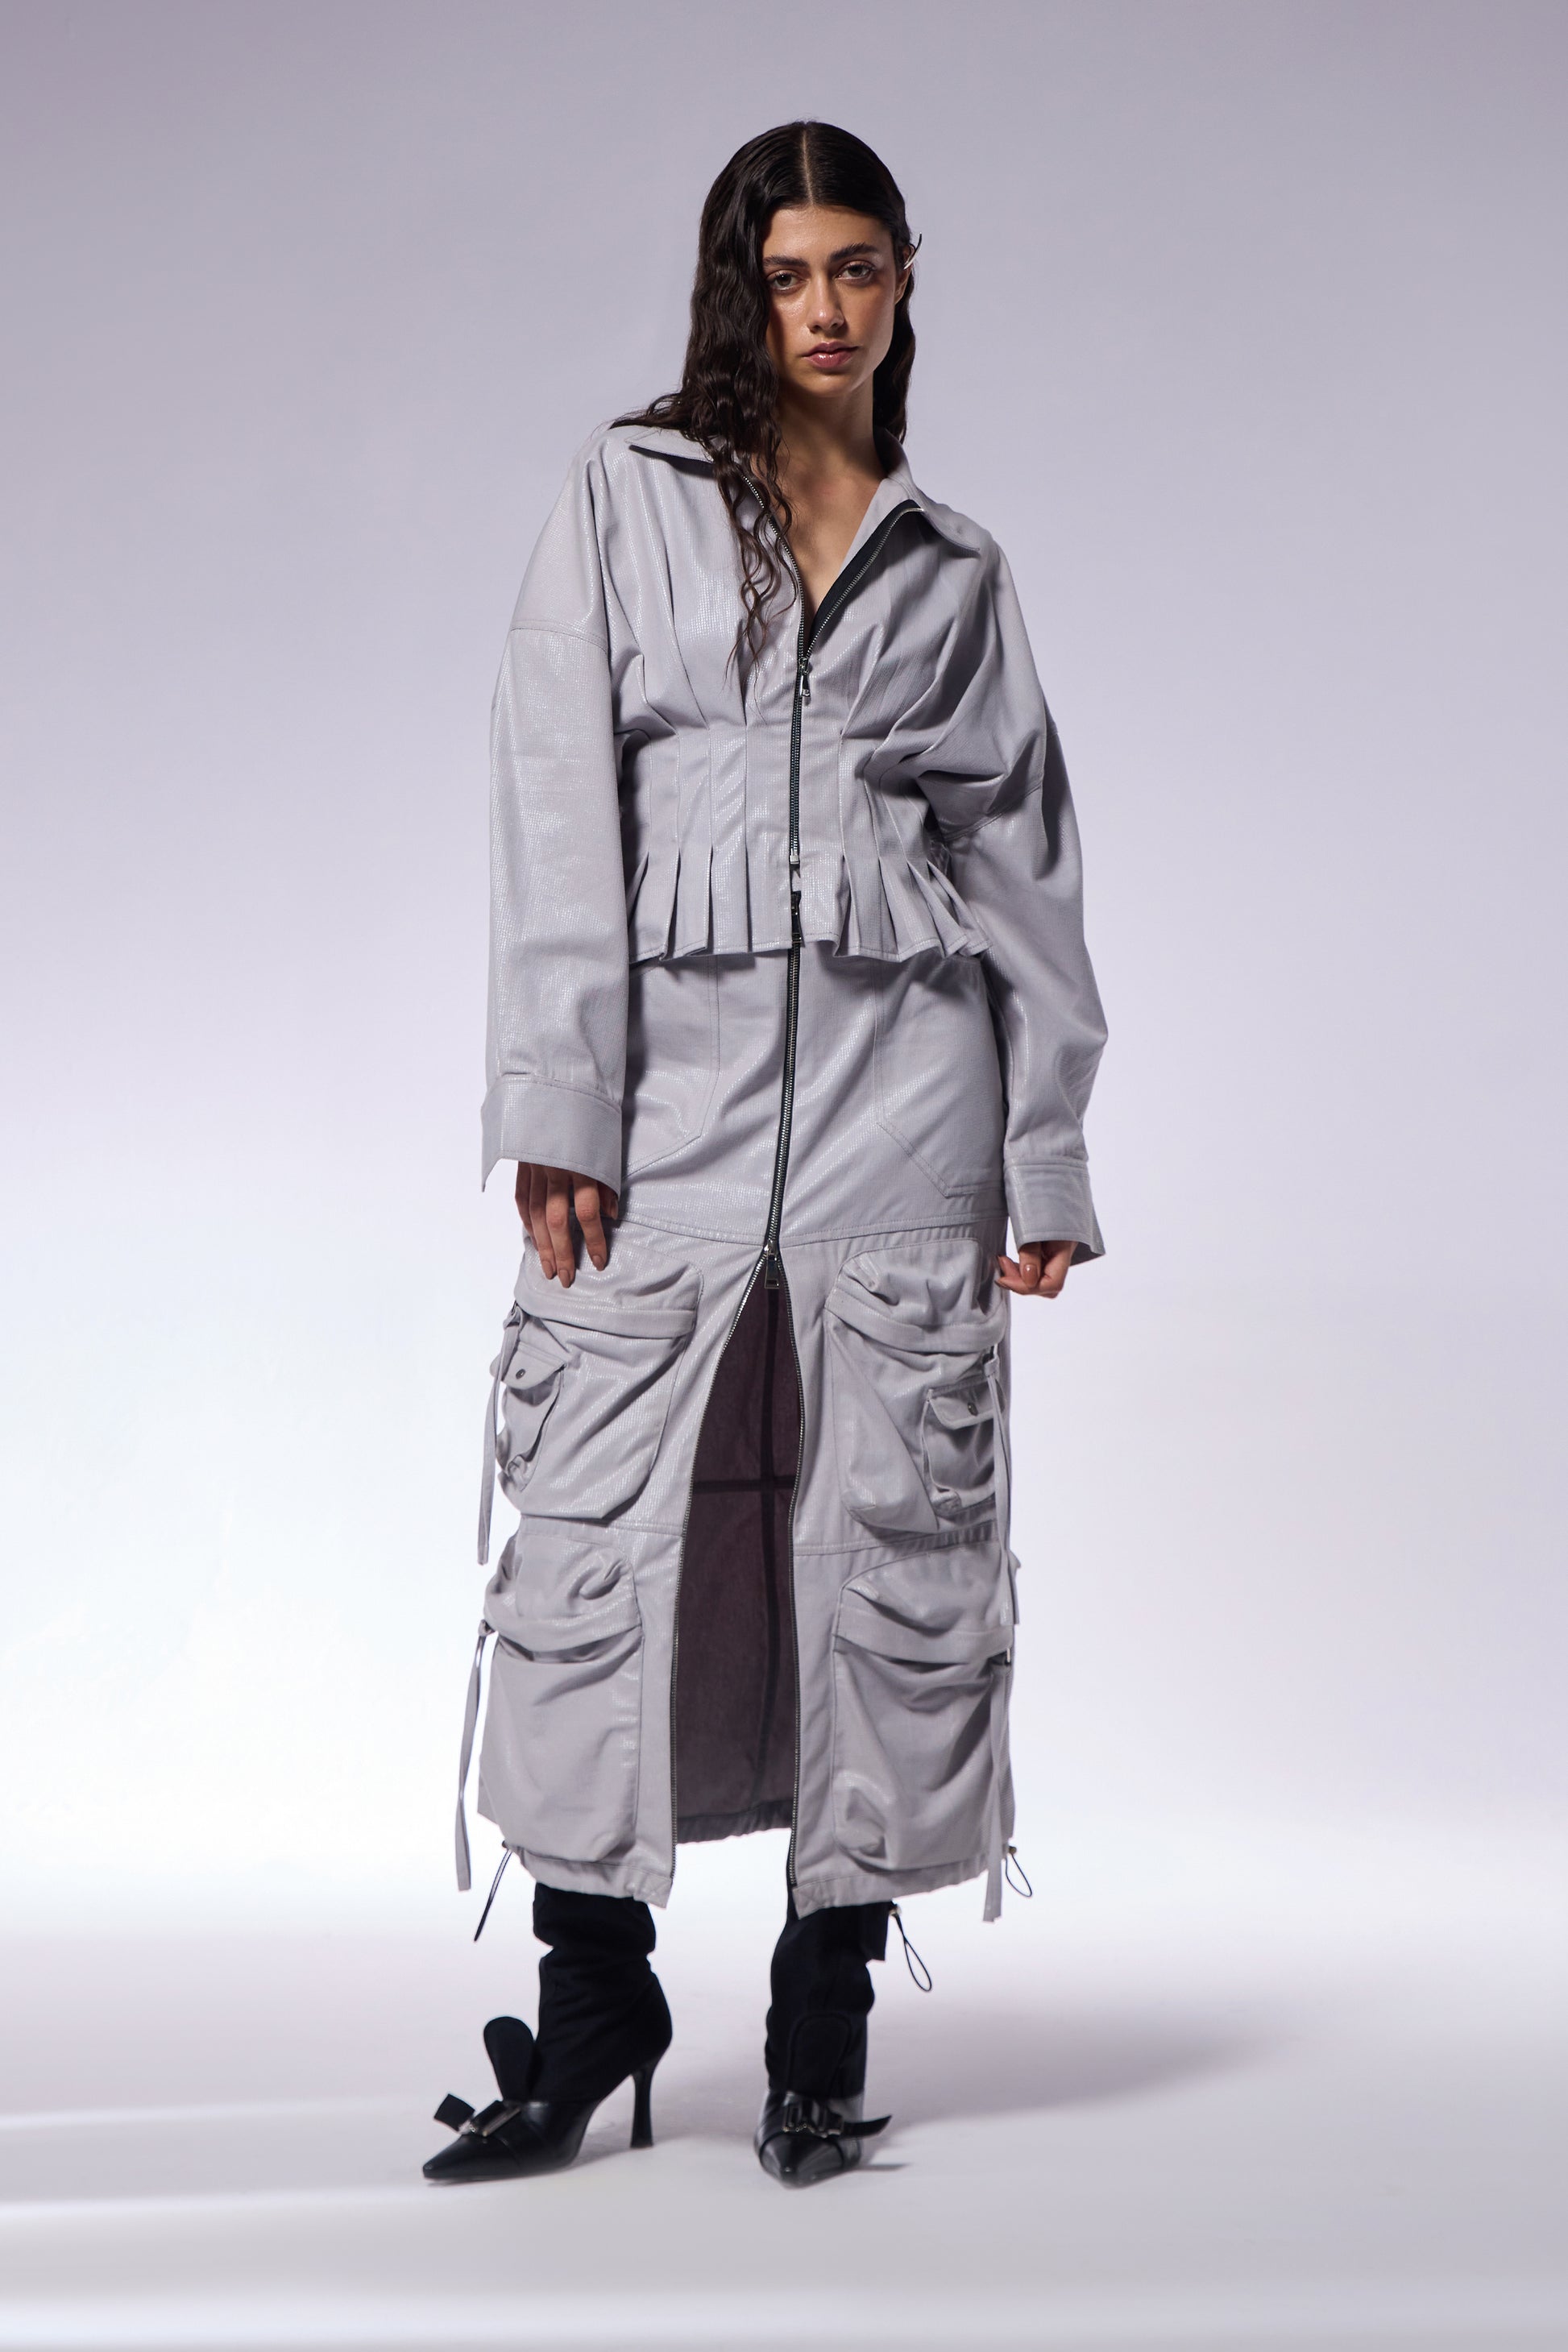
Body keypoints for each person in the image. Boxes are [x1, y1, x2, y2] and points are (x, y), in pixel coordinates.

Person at [425, 119, 1107, 2191]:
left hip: (907, 1105)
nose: (826, 311)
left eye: (859, 270)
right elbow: (558, 801)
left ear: (904, 283)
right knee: (596, 1529)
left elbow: (1024, 866)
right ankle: (590, 2005)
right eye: (790, 274)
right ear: (743, 285)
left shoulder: (953, 565)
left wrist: (1045, 1148)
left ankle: (822, 2017)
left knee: (885, 1539)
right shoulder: (627, 495)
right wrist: (558, 1100)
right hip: (667, 1116)